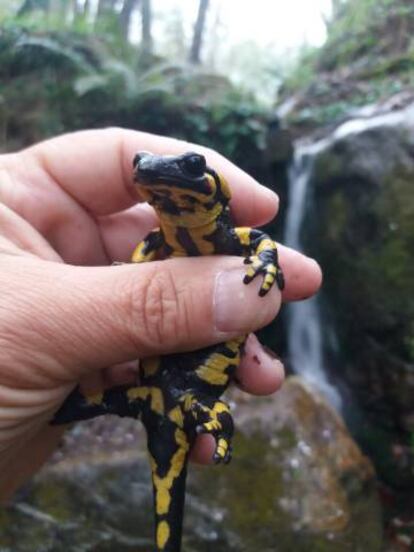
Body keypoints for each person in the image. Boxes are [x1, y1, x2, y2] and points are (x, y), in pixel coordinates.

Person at [0, 128, 322, 501]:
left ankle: (76, 407)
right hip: (175, 386)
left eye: (193, 167)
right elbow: (146, 252)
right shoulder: (159, 239)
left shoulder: (231, 237)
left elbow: (262, 243)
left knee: (134, 403)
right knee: (166, 411)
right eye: (141, 166)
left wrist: (265, 262)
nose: (155, 172)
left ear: (217, 191)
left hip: (161, 387)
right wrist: (132, 282)